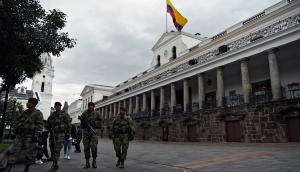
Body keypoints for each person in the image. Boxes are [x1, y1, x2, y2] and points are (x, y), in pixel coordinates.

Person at [5, 98, 44, 172]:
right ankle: (9, 168)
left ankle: (26, 168)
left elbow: (40, 125)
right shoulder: (24, 112)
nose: (27, 103)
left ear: (33, 104)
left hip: (30, 136)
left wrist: (36, 135)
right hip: (20, 135)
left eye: (28, 102)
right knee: (14, 151)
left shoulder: (38, 113)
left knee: (29, 153)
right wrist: (17, 127)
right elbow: (18, 121)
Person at [47, 102, 71, 172]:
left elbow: (69, 125)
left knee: (57, 150)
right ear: (54, 106)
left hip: (61, 135)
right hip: (53, 134)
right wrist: (48, 128)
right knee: (52, 149)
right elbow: (47, 123)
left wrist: (68, 134)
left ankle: (53, 166)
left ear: (60, 106)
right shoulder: (52, 115)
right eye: (56, 105)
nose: (57, 107)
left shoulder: (65, 115)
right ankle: (56, 164)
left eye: (58, 106)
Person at [78, 102, 102, 169]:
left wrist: (93, 123)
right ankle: (87, 162)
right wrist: (84, 123)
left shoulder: (97, 113)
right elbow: (81, 124)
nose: (90, 107)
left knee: (94, 147)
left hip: (94, 132)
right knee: (86, 148)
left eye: (92, 106)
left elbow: (100, 123)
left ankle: (94, 161)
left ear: (94, 107)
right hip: (86, 133)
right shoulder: (84, 113)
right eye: (89, 106)